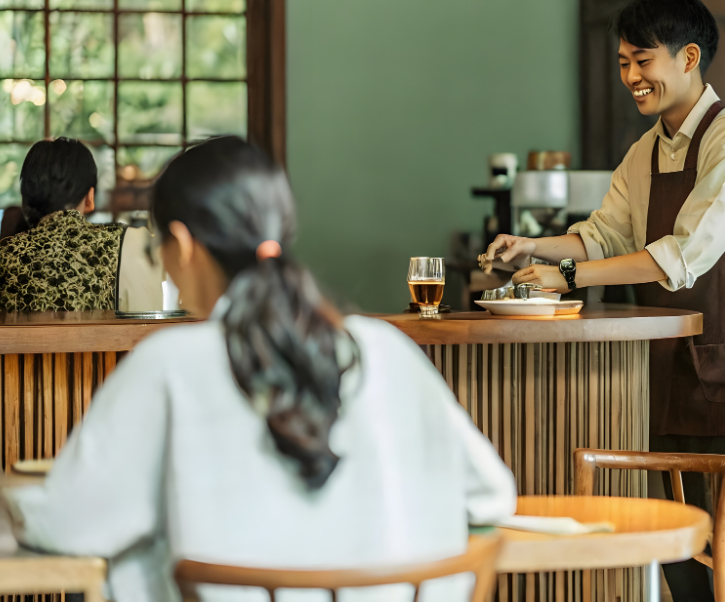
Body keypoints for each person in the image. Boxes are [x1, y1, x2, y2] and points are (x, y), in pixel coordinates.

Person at [4, 137, 517, 601]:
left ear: (183, 246)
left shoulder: (168, 364)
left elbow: (67, 523)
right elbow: (492, 495)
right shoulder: (384, 349)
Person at [485, 0, 725, 602]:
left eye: (643, 60)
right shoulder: (645, 151)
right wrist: (532, 248)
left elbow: (681, 256)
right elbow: (602, 236)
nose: (631, 76)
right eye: (624, 62)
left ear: (688, 58)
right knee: (682, 556)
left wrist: (569, 277)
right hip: (673, 375)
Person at [0, 138, 163, 312]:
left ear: (25, 199)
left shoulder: (5, 255)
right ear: (90, 198)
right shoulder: (130, 243)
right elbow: (148, 320)